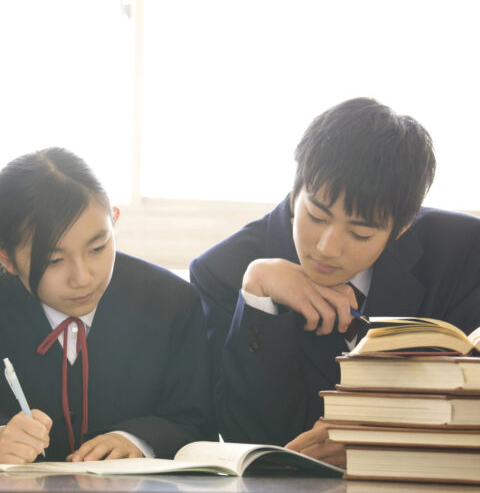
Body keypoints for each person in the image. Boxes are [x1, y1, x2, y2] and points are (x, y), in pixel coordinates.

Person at [190, 97, 480, 466]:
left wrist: (382, 439)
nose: (327, 248)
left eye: (360, 234)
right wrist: (259, 298)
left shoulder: (463, 253)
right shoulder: (222, 270)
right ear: (297, 190)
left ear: (402, 228)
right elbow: (247, 438)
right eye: (315, 215)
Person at [0, 147, 212, 463]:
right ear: (4, 256)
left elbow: (196, 421)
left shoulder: (172, 302)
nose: (82, 277)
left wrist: (137, 441)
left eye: (97, 248)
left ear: (115, 221)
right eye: (54, 260)